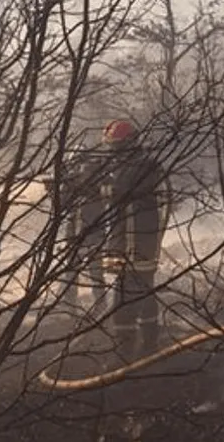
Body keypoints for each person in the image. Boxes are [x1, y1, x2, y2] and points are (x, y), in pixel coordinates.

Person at [59, 118, 167, 357]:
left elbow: (121, 189)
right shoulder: (130, 165)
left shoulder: (143, 166)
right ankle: (148, 342)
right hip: (127, 238)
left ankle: (126, 350)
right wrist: (76, 187)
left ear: (126, 145)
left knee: (126, 295)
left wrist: (93, 187)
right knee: (141, 289)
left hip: (139, 239)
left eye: (114, 147)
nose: (111, 152)